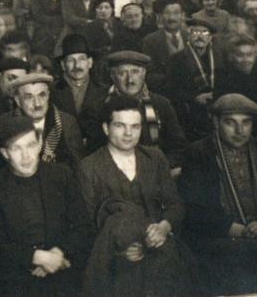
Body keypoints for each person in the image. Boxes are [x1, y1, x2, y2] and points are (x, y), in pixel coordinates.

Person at [78, 95, 194, 297]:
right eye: (120, 126)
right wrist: (118, 250)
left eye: (135, 126)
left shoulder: (155, 158)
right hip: (113, 258)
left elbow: (175, 205)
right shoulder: (89, 167)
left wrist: (164, 227)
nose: (128, 133)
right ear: (106, 128)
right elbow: (85, 224)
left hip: (158, 247)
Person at [0, 115, 94, 297]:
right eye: (16, 148)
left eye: (31, 145)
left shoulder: (61, 175)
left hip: (62, 271)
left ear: (40, 143)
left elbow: (83, 227)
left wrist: (58, 253)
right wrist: (38, 258)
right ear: (4, 153)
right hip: (16, 280)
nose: (26, 156)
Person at [179, 93, 257, 294]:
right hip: (220, 236)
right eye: (230, 122)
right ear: (216, 122)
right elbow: (195, 211)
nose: (240, 130)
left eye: (246, 122)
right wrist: (240, 231)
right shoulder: (199, 153)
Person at [11, 72, 85, 171]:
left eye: (42, 95)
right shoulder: (8, 124)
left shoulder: (66, 122)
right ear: (18, 100)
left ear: (48, 96)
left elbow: (78, 166)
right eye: (29, 97)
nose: (37, 103)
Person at [51, 33, 107, 119]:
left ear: (90, 62)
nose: (77, 65)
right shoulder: (52, 92)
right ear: (63, 65)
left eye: (82, 59)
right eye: (70, 60)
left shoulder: (104, 92)